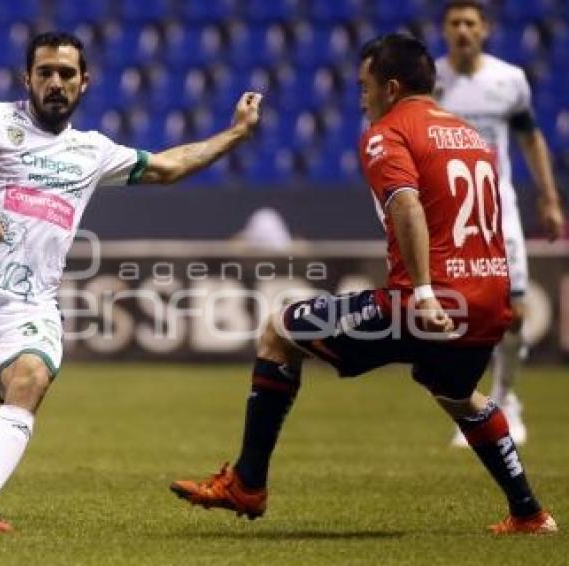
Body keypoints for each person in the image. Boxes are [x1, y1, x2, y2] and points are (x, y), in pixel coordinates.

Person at [170, 34, 556, 535]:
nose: (361, 97)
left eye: (364, 87)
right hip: (486, 301)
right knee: (457, 393)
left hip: (425, 302)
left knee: (279, 332)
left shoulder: (387, 133)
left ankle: (247, 482)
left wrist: (420, 291)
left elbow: (406, 204)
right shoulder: (469, 136)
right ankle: (529, 512)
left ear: (391, 87)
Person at [0, 31, 262, 532]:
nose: (55, 82)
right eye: (45, 72)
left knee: (30, 379)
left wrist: (236, 133)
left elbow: (168, 167)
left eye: (67, 74)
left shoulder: (92, 151)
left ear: (84, 83)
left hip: (28, 306)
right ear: (27, 79)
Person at [436, 0, 565, 447]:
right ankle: (469, 408)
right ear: (444, 29)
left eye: (471, 23)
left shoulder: (509, 80)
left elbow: (531, 138)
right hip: (448, 219)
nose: (463, 31)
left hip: (499, 214)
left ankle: (506, 400)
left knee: (511, 311)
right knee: (459, 317)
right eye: (455, 23)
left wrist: (549, 199)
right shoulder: (429, 82)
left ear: (485, 29)